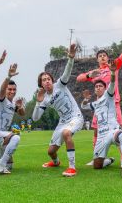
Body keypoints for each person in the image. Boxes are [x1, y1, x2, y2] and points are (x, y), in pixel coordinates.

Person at [76, 36, 122, 165]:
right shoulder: (95, 72)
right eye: (100, 55)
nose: (102, 57)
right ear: (97, 59)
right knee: (97, 131)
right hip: (100, 107)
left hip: (114, 104)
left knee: (118, 130)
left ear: (108, 58)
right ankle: (97, 157)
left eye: (104, 55)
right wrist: (88, 75)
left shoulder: (113, 66)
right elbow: (79, 78)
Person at [32, 43, 83, 177]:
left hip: (75, 117)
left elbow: (67, 71)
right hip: (63, 121)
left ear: (52, 80)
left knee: (67, 133)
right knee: (50, 151)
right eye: (44, 80)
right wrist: (38, 102)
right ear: (41, 84)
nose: (47, 81)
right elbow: (35, 118)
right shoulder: (44, 99)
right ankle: (56, 162)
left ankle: (72, 167)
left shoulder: (60, 85)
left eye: (48, 79)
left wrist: (71, 58)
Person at [81, 60, 122, 178]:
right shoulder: (95, 103)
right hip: (101, 136)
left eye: (100, 86)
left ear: (105, 89)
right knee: (97, 166)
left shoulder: (108, 96)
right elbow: (83, 106)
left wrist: (113, 72)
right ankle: (109, 160)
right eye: (96, 86)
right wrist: (85, 100)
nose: (98, 88)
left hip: (112, 131)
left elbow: (112, 83)